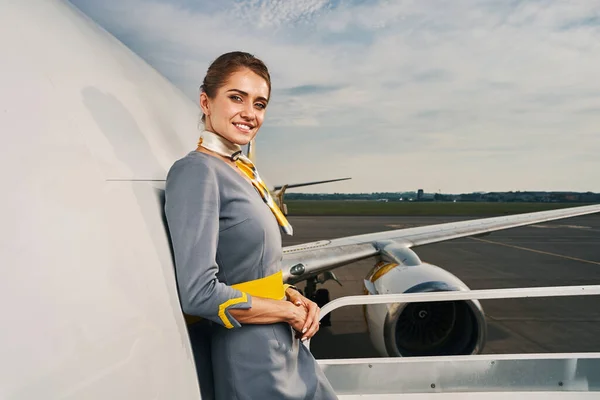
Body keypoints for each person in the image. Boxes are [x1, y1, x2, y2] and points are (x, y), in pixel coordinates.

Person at [164, 51, 338, 400]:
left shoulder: (237, 172)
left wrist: (294, 296)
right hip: (251, 357)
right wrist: (286, 310)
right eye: (236, 97)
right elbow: (199, 294)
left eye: (260, 104)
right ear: (206, 101)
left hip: (282, 345)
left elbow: (250, 270)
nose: (249, 113)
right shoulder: (197, 172)